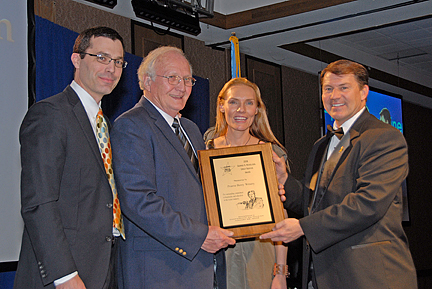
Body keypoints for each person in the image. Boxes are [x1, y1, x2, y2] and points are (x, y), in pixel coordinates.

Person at [261, 60, 417, 289]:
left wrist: (304, 227)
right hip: (322, 275)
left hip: (370, 277)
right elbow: (313, 201)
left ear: (364, 92)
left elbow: (368, 204)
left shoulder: (384, 137)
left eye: (344, 87)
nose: (335, 95)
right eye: (328, 88)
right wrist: (284, 179)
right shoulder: (321, 145)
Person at [110, 46, 236, 289]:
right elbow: (139, 201)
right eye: (172, 78)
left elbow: (203, 191)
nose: (182, 86)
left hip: (198, 267)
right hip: (158, 270)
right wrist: (198, 236)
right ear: (147, 81)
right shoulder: (131, 125)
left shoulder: (191, 129)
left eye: (188, 79)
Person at [14, 27, 126, 289]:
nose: (111, 68)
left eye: (118, 62)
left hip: (104, 268)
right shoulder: (50, 114)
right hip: (65, 276)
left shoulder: (105, 124)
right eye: (101, 57)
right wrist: (64, 276)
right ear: (76, 60)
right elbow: (39, 203)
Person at [205, 77, 289, 289]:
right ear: (222, 106)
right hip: (213, 251)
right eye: (234, 102)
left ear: (257, 110)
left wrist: (280, 272)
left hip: (259, 252)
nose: (241, 110)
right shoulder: (206, 149)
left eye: (249, 103)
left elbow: (282, 217)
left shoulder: (272, 155)